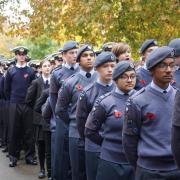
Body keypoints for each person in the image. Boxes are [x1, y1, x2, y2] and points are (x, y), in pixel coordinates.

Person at [122, 46, 180, 180]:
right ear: (152, 70)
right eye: (163, 66)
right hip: (149, 171)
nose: (169, 70)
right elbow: (129, 141)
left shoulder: (178, 96)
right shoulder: (137, 100)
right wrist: (141, 168)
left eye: (172, 65)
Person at [85, 61, 136, 180]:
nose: (129, 80)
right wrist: (108, 143)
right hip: (111, 161)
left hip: (135, 161)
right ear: (116, 79)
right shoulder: (105, 102)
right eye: (124, 77)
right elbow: (89, 130)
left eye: (132, 76)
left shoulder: (142, 100)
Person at [55, 44, 98, 180]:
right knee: (78, 173)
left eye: (91, 55)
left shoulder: (103, 80)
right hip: (77, 134)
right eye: (85, 56)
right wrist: (74, 121)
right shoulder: (70, 82)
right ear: (78, 60)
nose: (89, 58)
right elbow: (60, 109)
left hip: (99, 134)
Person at [76, 51, 116, 180]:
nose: (110, 70)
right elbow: (81, 123)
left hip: (117, 147)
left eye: (113, 66)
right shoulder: (88, 93)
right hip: (95, 146)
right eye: (105, 66)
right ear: (97, 68)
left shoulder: (120, 90)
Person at [50, 41, 79, 180]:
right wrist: (61, 119)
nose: (75, 55)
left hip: (80, 119)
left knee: (78, 156)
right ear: (63, 55)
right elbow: (53, 100)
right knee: (62, 154)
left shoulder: (84, 72)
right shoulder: (57, 74)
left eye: (76, 52)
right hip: (62, 119)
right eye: (71, 53)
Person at [4, 46, 36, 167]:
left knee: (29, 131)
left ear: (26, 56)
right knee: (13, 131)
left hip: (27, 105)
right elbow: (6, 90)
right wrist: (13, 101)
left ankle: (30, 156)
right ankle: (13, 157)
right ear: (16, 56)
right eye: (19, 54)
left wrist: (30, 102)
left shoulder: (31, 71)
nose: (22, 56)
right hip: (14, 104)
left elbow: (34, 89)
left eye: (23, 54)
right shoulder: (11, 71)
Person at [25, 59, 52, 178]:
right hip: (40, 121)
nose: (47, 68)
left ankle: (51, 170)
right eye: (44, 66)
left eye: (49, 66)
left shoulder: (55, 81)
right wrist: (38, 111)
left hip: (52, 119)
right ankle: (42, 169)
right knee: (41, 146)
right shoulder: (36, 82)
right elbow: (29, 100)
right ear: (40, 68)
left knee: (51, 147)